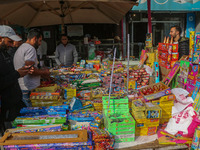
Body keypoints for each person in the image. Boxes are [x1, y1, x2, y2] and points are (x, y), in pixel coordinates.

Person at [0, 25, 31, 133]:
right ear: (0, 39)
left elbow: (8, 74)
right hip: (6, 108)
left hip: (14, 103)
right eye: (9, 41)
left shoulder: (4, 53)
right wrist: (17, 74)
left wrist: (19, 72)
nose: (12, 45)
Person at [14, 28, 50, 107]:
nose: (40, 44)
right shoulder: (30, 49)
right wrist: (45, 72)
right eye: (40, 41)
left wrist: (42, 74)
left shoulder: (22, 47)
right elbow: (30, 70)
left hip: (23, 86)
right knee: (31, 112)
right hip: (28, 87)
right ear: (34, 39)